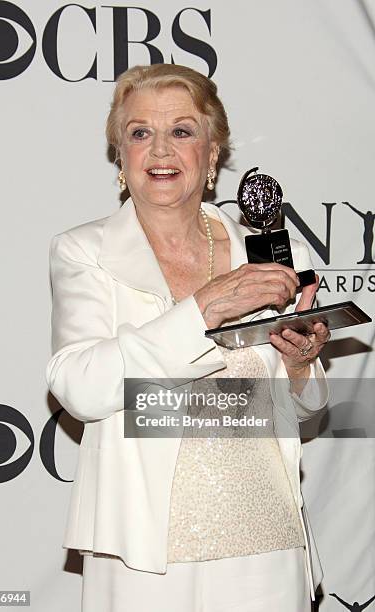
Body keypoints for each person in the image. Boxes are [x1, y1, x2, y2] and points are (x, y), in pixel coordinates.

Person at [46, 63, 330, 612]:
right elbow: (80, 387)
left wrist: (300, 364)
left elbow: (303, 408)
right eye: (139, 132)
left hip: (266, 536)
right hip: (146, 546)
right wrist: (203, 308)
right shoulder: (84, 251)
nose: (160, 150)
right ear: (121, 156)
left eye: (181, 131)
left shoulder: (259, 250)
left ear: (213, 152)